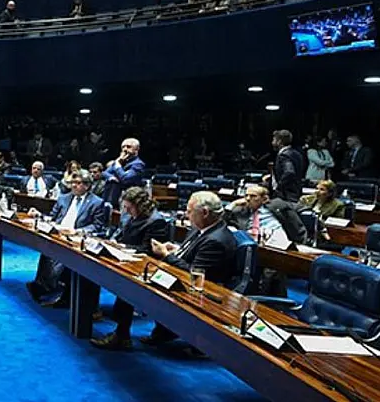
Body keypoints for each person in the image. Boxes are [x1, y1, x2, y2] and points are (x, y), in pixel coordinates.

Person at [92, 192, 235, 350]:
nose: (185, 214)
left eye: (189, 211)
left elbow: (195, 273)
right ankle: (157, 331)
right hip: (182, 279)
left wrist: (166, 255)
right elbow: (190, 255)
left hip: (200, 292)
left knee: (131, 285)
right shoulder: (202, 229)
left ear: (205, 213)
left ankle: (122, 335)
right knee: (131, 278)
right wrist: (176, 250)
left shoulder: (216, 240)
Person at [25, 171, 109, 306]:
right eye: (72, 183)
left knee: (62, 258)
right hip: (58, 235)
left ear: (87, 185)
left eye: (78, 183)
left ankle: (54, 290)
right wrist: (39, 215)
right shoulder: (63, 198)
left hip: (76, 239)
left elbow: (97, 226)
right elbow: (53, 218)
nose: (74, 186)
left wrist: (77, 231)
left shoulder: (97, 203)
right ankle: (43, 286)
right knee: (46, 251)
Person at [226, 185, 308, 245]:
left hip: (277, 241)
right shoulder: (240, 211)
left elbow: (300, 207)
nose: (247, 199)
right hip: (250, 243)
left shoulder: (277, 204)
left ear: (264, 199)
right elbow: (222, 223)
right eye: (246, 195)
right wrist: (233, 204)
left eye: (253, 196)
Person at [101, 138, 146, 205]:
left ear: (136, 149)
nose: (125, 149)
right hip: (111, 197)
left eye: (128, 147)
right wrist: (111, 177)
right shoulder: (120, 162)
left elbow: (126, 179)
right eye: (123, 147)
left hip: (128, 200)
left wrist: (117, 165)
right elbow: (105, 173)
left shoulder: (138, 164)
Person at [270, 129, 304, 202]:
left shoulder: (283, 155)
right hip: (296, 192)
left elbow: (289, 172)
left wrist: (279, 186)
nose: (272, 142)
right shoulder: (297, 153)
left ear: (279, 142)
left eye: (274, 140)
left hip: (286, 195)